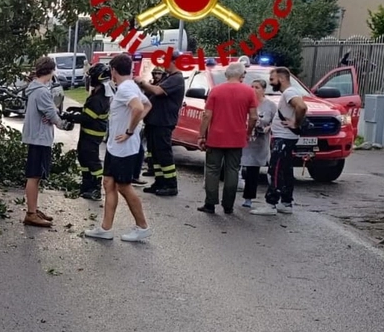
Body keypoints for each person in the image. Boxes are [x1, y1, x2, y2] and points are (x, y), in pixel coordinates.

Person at [85, 53, 152, 243]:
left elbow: (139, 108)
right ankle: (105, 228)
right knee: (108, 183)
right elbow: (148, 105)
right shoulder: (130, 86)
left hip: (124, 148)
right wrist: (136, 126)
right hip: (116, 147)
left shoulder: (125, 89)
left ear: (113, 71)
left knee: (124, 186)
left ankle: (142, 226)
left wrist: (130, 131)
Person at [196, 62, 257, 215]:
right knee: (233, 170)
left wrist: (201, 135)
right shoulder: (249, 92)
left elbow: (207, 115)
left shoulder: (216, 91)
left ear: (226, 75)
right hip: (236, 138)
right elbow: (254, 117)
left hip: (216, 137)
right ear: (241, 75)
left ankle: (210, 204)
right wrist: (248, 132)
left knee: (212, 170)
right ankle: (228, 205)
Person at [21, 55, 74, 227]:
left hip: (36, 136)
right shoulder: (42, 91)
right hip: (39, 138)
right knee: (34, 176)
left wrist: (49, 117)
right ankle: (30, 213)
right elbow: (51, 113)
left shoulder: (35, 88)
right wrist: (64, 124)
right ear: (51, 71)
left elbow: (45, 113)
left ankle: (34, 209)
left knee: (36, 176)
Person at [253, 67, 307, 216]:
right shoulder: (290, 92)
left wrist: (296, 122)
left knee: (275, 170)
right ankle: (286, 202)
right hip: (285, 137)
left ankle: (271, 204)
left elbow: (302, 107)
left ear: (281, 79)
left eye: (272, 79)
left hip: (283, 138)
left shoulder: (289, 92)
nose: (271, 83)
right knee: (285, 170)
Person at [136, 47, 186, 196]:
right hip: (154, 121)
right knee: (155, 154)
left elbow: (157, 91)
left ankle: (171, 184)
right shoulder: (167, 77)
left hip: (163, 122)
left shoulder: (176, 78)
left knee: (164, 153)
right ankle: (159, 181)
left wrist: (142, 82)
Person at [66, 63, 109, 201]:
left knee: (92, 161)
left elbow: (87, 118)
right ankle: (86, 185)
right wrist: (77, 109)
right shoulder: (97, 92)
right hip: (87, 134)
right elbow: (88, 112)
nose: (88, 80)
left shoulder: (99, 97)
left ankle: (95, 189)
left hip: (93, 134)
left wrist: (69, 116)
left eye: (90, 77)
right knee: (83, 158)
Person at [240, 78, 277, 209]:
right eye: (252, 87)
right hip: (245, 139)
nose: (254, 90)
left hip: (259, 142)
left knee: (253, 170)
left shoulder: (270, 105)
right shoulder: (245, 103)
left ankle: (249, 198)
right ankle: (235, 191)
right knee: (238, 166)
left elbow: (276, 121)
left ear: (264, 90)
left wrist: (269, 128)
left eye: (257, 87)